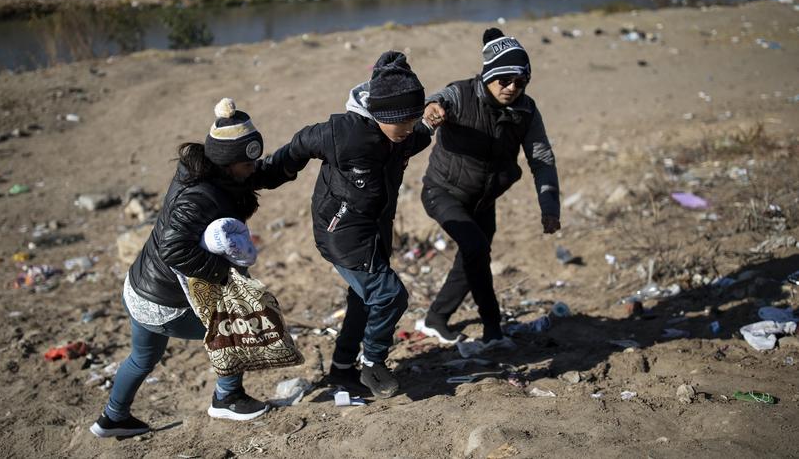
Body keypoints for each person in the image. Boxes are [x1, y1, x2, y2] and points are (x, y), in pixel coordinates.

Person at [90, 97, 292, 438]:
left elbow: (251, 177)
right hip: (163, 302)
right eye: (248, 163)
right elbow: (174, 248)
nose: (253, 168)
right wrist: (222, 274)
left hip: (140, 288)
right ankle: (227, 398)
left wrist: (293, 157)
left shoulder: (202, 172)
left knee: (141, 359)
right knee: (236, 329)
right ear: (228, 164)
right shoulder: (200, 196)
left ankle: (112, 419)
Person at [276, 51, 434, 399]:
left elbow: (417, 136)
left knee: (364, 300)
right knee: (390, 295)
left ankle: (343, 370)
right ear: (379, 114)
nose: (408, 130)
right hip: (341, 233)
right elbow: (302, 141)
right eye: (402, 123)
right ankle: (373, 363)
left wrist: (432, 119)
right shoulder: (344, 134)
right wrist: (276, 171)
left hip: (375, 229)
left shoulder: (402, 134)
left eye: (413, 121)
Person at [415, 28, 560, 345]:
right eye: (503, 80)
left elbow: (542, 159)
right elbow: (438, 99)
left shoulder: (525, 110)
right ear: (488, 76)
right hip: (443, 192)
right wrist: (432, 110)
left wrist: (550, 207)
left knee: (474, 256)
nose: (511, 88)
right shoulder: (462, 94)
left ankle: (449, 321)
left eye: (519, 82)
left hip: (484, 199)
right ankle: (486, 323)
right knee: (476, 249)